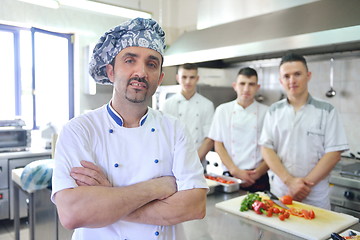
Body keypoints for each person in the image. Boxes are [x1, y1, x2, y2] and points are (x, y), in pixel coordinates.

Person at [51, 18, 208, 240]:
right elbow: (72, 214)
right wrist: (158, 187)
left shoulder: (175, 129)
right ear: (111, 71)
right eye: (130, 60)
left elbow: (195, 206)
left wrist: (108, 198)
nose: (141, 72)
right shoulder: (79, 131)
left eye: (151, 64)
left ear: (160, 78)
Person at [259, 53, 349, 209]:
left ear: (308, 76)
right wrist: (290, 181)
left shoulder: (327, 110)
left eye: (297, 74)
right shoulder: (274, 111)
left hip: (315, 195)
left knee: (317, 232)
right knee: (279, 232)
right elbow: (266, 148)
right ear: (281, 81)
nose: (292, 80)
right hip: (281, 192)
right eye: (286, 76)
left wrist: (303, 185)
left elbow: (333, 153)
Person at [208, 67, 270, 192]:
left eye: (251, 84)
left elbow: (272, 148)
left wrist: (258, 173)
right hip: (231, 175)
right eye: (242, 84)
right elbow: (218, 145)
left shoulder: (267, 112)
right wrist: (235, 170)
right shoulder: (223, 110)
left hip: (258, 176)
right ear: (235, 86)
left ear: (257, 87)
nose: (246, 89)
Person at [161, 63, 215, 163]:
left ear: (197, 78)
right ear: (178, 78)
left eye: (192, 77)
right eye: (184, 77)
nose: (188, 81)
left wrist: (194, 161)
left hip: (198, 162)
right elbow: (164, 135)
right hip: (173, 161)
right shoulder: (167, 105)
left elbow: (209, 138)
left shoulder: (207, 105)